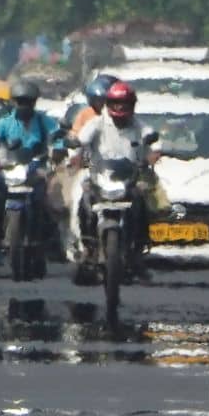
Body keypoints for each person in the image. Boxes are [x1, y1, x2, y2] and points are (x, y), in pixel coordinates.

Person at [76, 81, 160, 279]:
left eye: (124, 103)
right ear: (108, 103)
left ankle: (138, 251)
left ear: (132, 104)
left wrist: (151, 155)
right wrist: (77, 149)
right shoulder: (97, 123)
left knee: (142, 202)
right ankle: (89, 246)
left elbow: (154, 142)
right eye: (116, 102)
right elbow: (82, 139)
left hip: (129, 179)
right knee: (84, 201)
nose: (120, 107)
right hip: (100, 177)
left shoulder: (139, 125)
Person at [0, 81, 64, 261]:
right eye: (20, 102)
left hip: (35, 167)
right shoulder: (4, 123)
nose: (24, 106)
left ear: (34, 103)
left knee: (45, 199)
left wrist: (57, 150)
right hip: (11, 169)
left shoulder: (44, 121)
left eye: (28, 102)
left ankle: (49, 238)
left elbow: (57, 140)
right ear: (13, 102)